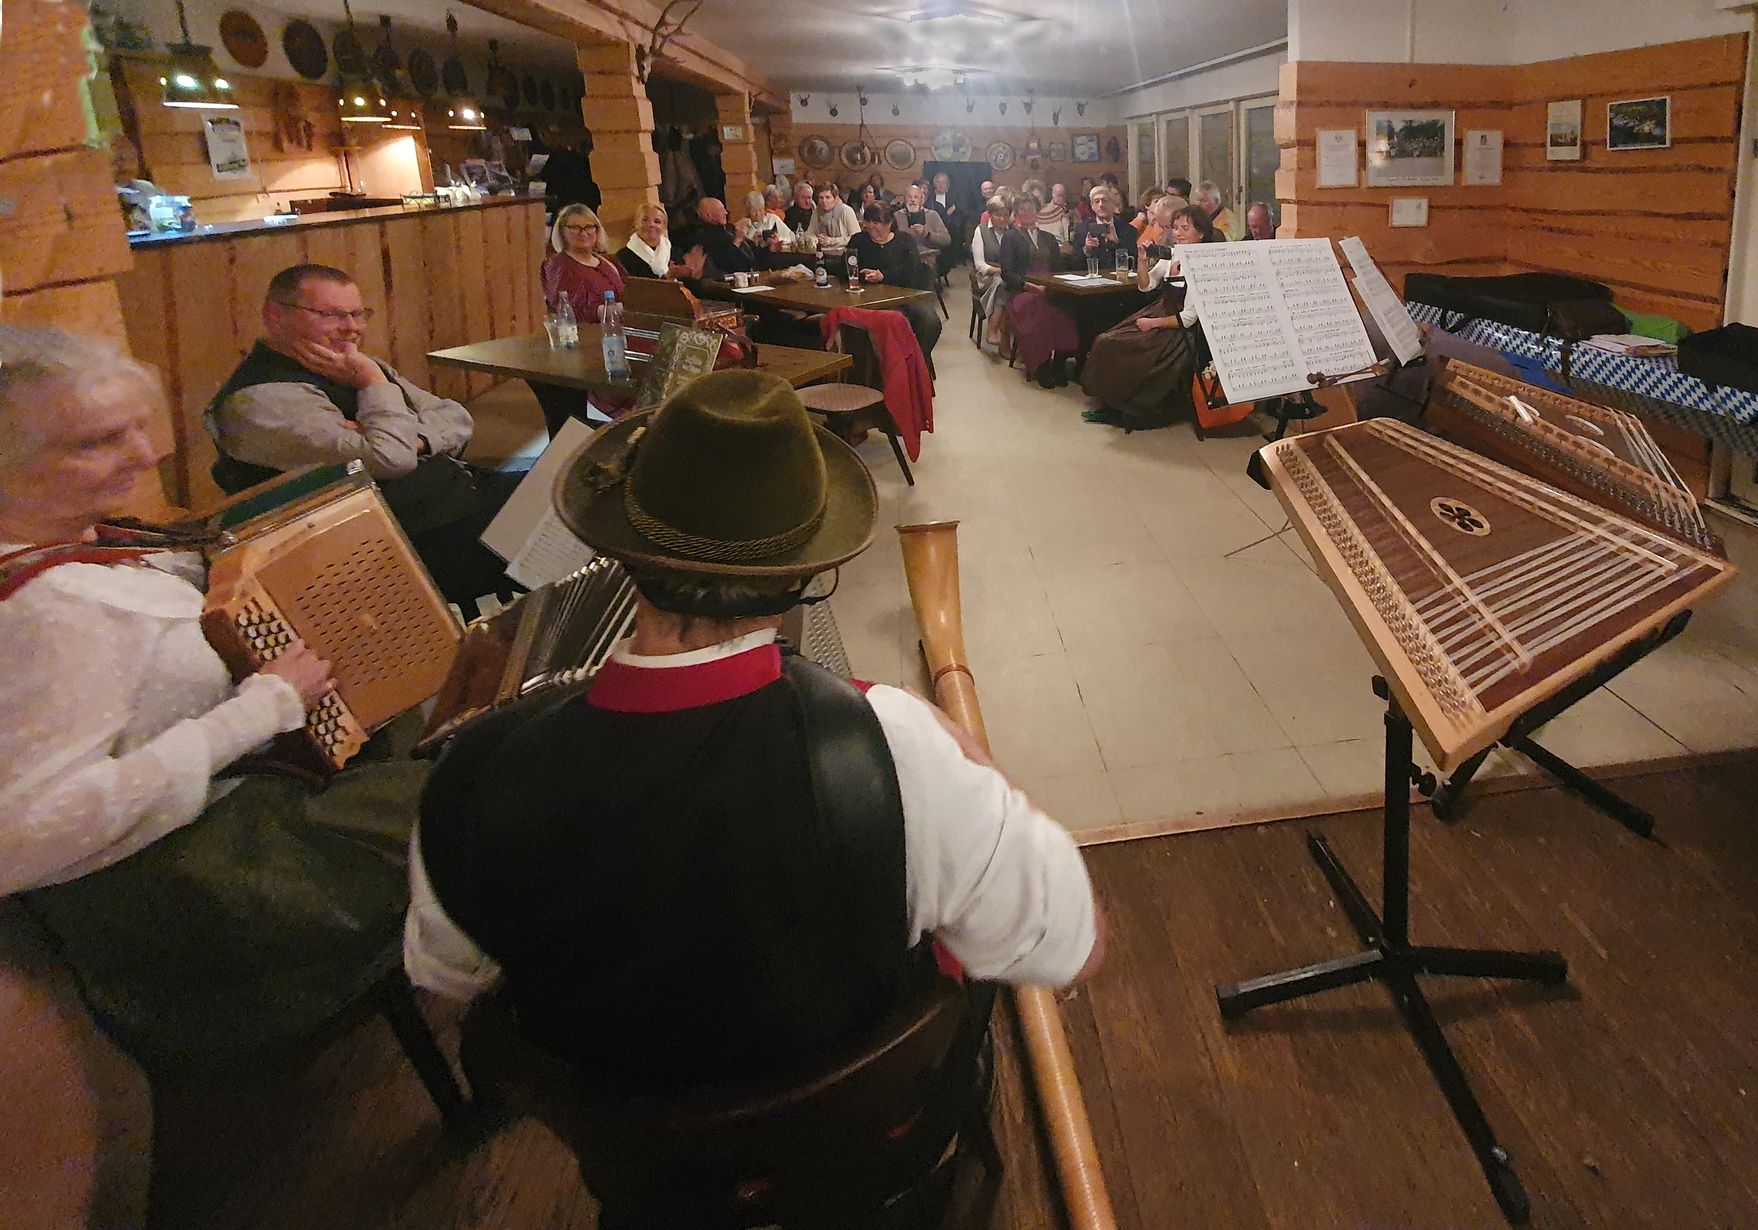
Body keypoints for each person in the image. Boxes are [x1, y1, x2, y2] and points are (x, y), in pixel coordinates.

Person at [404, 368, 1103, 1093]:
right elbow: (1071, 946)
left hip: (626, 1144)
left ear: (622, 551)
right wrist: (969, 758)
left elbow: (445, 974)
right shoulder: (893, 746)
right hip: (869, 1121)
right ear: (802, 570)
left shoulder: (473, 771)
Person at [0, 323, 428, 1074]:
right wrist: (260, 708)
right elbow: (22, 838)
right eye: (95, 442)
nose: (146, 456)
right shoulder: (47, 614)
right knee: (489, 791)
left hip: (237, 804)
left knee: (446, 717)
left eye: (137, 427)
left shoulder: (64, 543)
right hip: (200, 900)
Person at [206, 264, 521, 607]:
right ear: (276, 317)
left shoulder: (354, 365)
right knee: (560, 528)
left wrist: (412, 439)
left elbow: (457, 418)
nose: (352, 328)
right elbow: (391, 459)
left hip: (456, 500)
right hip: (394, 553)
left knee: (560, 484)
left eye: (358, 314)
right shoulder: (260, 400)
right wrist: (373, 384)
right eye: (332, 315)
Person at [1080, 205, 1222, 430]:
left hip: (1179, 330)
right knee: (1105, 339)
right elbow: (1145, 286)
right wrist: (1142, 261)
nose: (1178, 233)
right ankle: (1112, 402)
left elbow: (1188, 318)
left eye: (1185, 228)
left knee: (1121, 346)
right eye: (1175, 228)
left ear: (1201, 233)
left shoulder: (1202, 265)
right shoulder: (1173, 254)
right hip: (1160, 311)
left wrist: (1152, 323)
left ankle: (1128, 409)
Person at [1000, 195, 1080, 388]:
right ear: (1017, 213)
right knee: (1039, 310)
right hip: (1022, 291)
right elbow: (1007, 273)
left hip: (1049, 288)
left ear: (1038, 212)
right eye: (1023, 209)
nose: (1028, 212)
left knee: (1068, 309)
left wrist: (1053, 287)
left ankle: (1059, 364)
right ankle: (1042, 365)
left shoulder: (1049, 238)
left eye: (1031, 208)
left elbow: (1058, 270)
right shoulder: (1010, 237)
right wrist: (1030, 287)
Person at [847, 203, 943, 358]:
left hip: (905, 294)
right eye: (868, 222)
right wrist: (861, 274)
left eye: (876, 222)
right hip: (872, 298)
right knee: (896, 322)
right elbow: (846, 267)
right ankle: (897, 362)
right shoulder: (858, 241)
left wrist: (884, 275)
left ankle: (916, 359)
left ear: (889, 223)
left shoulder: (904, 240)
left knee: (930, 322)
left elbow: (913, 271)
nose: (871, 226)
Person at [541, 203, 627, 317]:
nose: (583, 233)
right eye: (575, 227)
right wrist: (606, 311)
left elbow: (631, 289)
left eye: (589, 227)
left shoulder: (607, 260)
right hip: (590, 327)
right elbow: (566, 309)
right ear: (562, 231)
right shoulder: (558, 265)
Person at [617, 202, 707, 282]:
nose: (651, 224)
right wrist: (668, 277)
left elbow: (689, 288)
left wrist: (695, 275)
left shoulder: (674, 253)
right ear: (636, 224)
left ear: (664, 227)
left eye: (657, 221)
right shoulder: (623, 257)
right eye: (645, 220)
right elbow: (635, 291)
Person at [676, 197, 758, 279]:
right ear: (708, 216)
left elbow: (751, 259)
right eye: (721, 210)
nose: (726, 213)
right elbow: (726, 264)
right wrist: (737, 242)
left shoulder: (729, 229)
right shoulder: (703, 237)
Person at [970, 193, 1012, 351]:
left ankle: (1004, 337)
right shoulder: (980, 231)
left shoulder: (1013, 231)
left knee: (1006, 285)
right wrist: (999, 271)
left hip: (1009, 276)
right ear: (990, 214)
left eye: (1006, 215)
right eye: (997, 215)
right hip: (986, 277)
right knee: (1001, 283)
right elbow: (979, 264)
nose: (1002, 219)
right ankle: (994, 328)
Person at [893, 182, 951, 274]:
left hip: (926, 258)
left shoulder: (932, 215)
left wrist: (927, 233)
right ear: (905, 199)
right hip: (902, 258)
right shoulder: (897, 216)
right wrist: (904, 235)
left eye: (916, 197)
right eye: (909, 197)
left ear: (922, 200)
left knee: (923, 269)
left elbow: (946, 240)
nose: (912, 200)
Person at [1074, 184, 1137, 266]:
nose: (1101, 205)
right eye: (1097, 201)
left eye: (1105, 200)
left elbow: (1134, 261)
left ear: (1112, 204)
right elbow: (1074, 264)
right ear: (1092, 206)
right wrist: (1086, 249)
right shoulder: (1082, 230)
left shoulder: (1128, 230)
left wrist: (1117, 242)